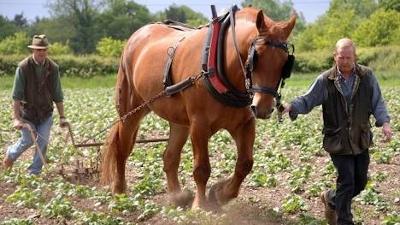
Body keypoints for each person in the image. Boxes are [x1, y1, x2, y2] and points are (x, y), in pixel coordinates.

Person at [283, 38, 393, 225]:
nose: (345, 61)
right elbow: (308, 99)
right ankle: (344, 221)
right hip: (338, 141)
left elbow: (377, 102)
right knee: (347, 181)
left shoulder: (367, 76)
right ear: (335, 57)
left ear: (355, 57)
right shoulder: (326, 80)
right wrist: (291, 106)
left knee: (360, 182)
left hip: (360, 138)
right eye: (341, 57)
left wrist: (385, 123)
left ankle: (331, 198)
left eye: (348, 57)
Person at [3, 34, 68, 175]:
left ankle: (34, 172)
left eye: (44, 49)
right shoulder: (23, 68)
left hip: (45, 113)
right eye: (38, 50)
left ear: (47, 51)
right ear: (33, 50)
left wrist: (62, 117)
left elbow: (57, 94)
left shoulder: (53, 68)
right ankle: (11, 154)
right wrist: (16, 118)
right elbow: (16, 96)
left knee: (43, 142)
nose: (41, 52)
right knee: (28, 140)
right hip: (27, 113)